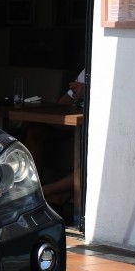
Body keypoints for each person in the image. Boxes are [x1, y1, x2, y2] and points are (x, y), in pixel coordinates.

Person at [40, 69, 88, 209]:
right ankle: (32, 184)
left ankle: (43, 191)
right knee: (36, 130)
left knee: (90, 158)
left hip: (96, 124)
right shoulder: (89, 68)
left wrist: (87, 92)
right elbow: (64, 101)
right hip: (76, 121)